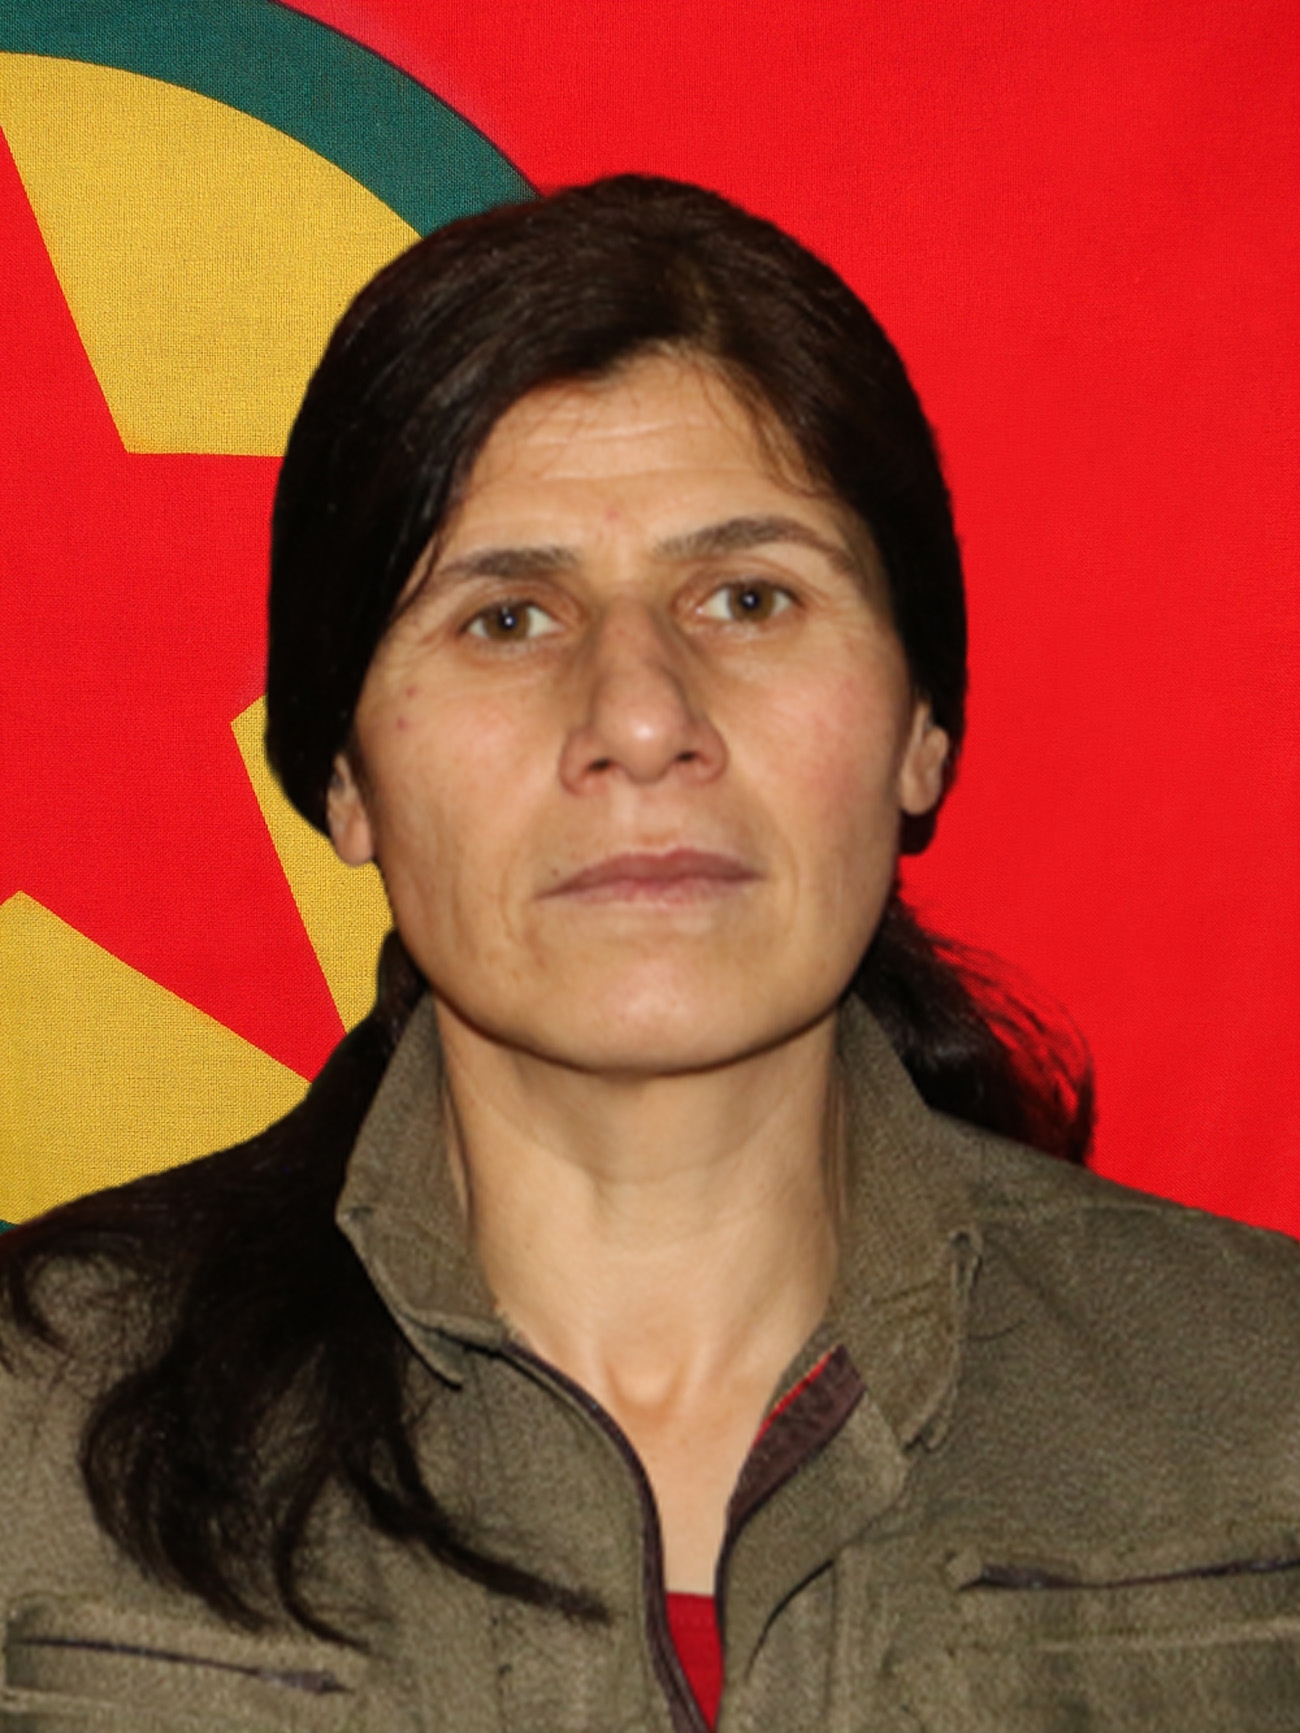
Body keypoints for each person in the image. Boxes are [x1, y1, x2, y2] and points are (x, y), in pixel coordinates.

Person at [2, 176, 1298, 1733]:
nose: (638, 717)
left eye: (748, 598)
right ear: (346, 777)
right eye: (507, 618)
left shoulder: (1267, 1406)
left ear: (920, 728)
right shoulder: (32, 1421)